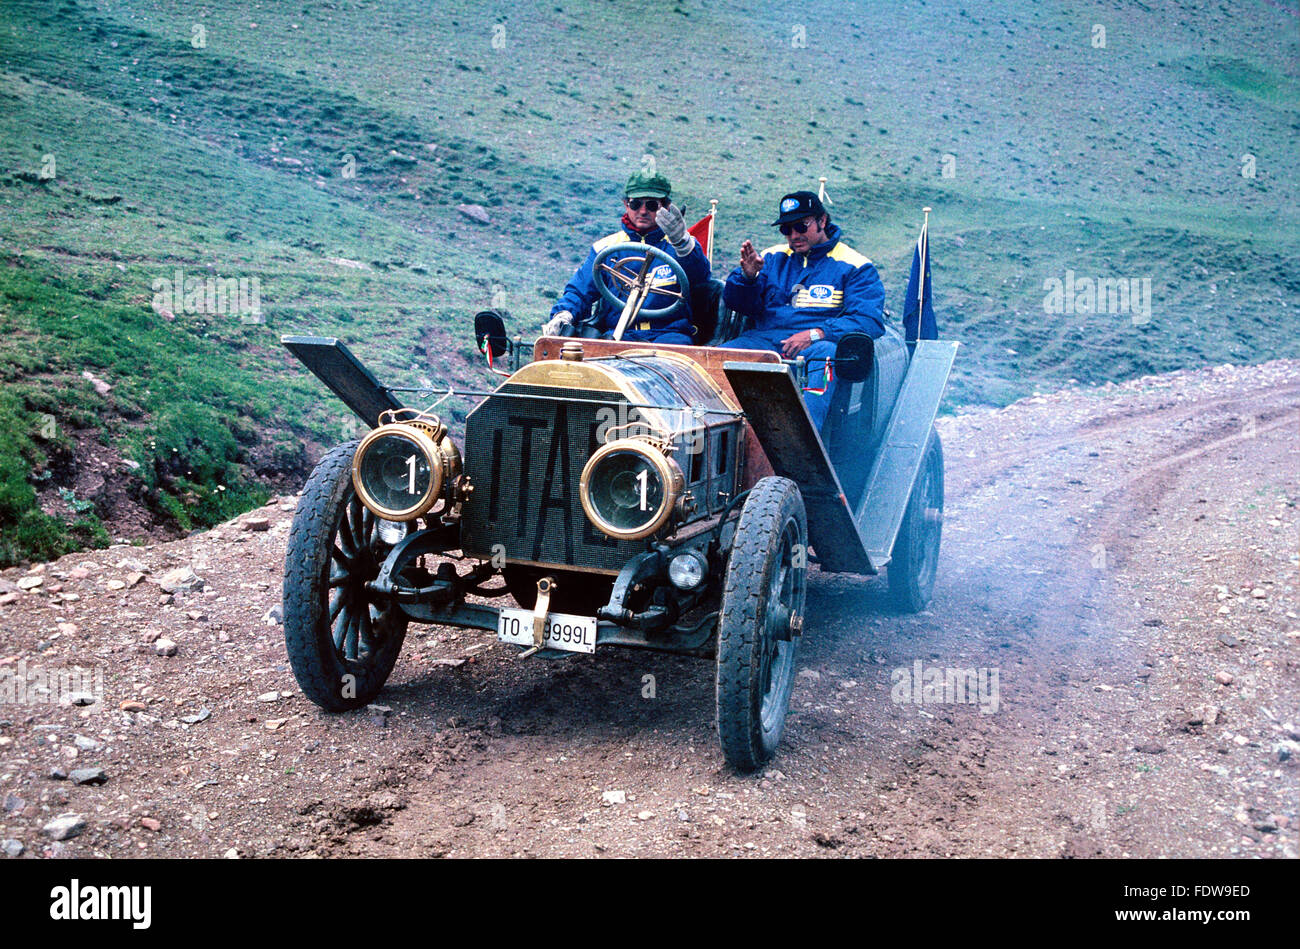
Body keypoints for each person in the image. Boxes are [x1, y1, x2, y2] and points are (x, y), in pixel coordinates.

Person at [720, 190, 886, 429]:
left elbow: (867, 320)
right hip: (765, 339)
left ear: (822, 221)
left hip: (818, 346)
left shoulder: (856, 266)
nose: (794, 235)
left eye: (801, 226)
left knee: (826, 357)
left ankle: (806, 442)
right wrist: (747, 278)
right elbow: (741, 305)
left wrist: (815, 334)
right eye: (786, 229)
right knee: (717, 358)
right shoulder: (771, 257)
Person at [543, 169, 710, 344]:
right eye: (636, 204)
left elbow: (702, 280)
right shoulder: (605, 248)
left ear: (666, 207)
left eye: (652, 205)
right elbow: (579, 291)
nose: (643, 211)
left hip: (669, 335)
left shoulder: (682, 246)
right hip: (618, 336)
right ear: (626, 205)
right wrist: (564, 313)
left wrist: (682, 243)